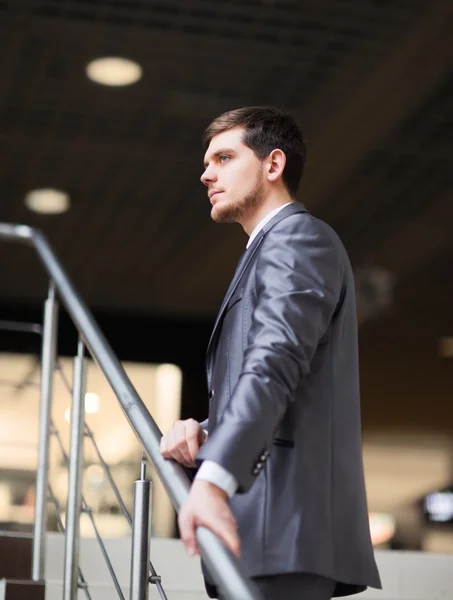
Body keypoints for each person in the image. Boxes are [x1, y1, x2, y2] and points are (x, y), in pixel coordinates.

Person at [160, 106, 381, 600]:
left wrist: (214, 478)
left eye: (223, 157)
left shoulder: (299, 238)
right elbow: (277, 385)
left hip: (282, 523)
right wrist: (207, 431)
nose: (206, 173)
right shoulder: (267, 250)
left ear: (272, 164)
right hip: (263, 527)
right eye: (207, 162)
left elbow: (275, 362)